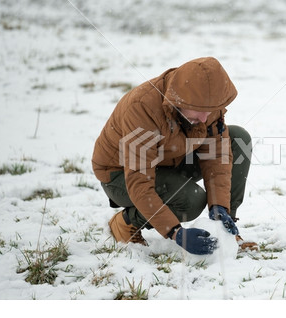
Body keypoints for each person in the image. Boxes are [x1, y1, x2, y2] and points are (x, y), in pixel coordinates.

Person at [92, 57, 257, 255]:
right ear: (180, 100)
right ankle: (126, 222)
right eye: (200, 111)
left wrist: (220, 207)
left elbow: (216, 158)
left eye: (210, 111)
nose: (205, 118)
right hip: (121, 174)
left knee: (238, 139)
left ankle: (227, 229)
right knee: (191, 202)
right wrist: (175, 232)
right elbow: (138, 182)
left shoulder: (207, 104)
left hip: (173, 158)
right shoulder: (142, 109)